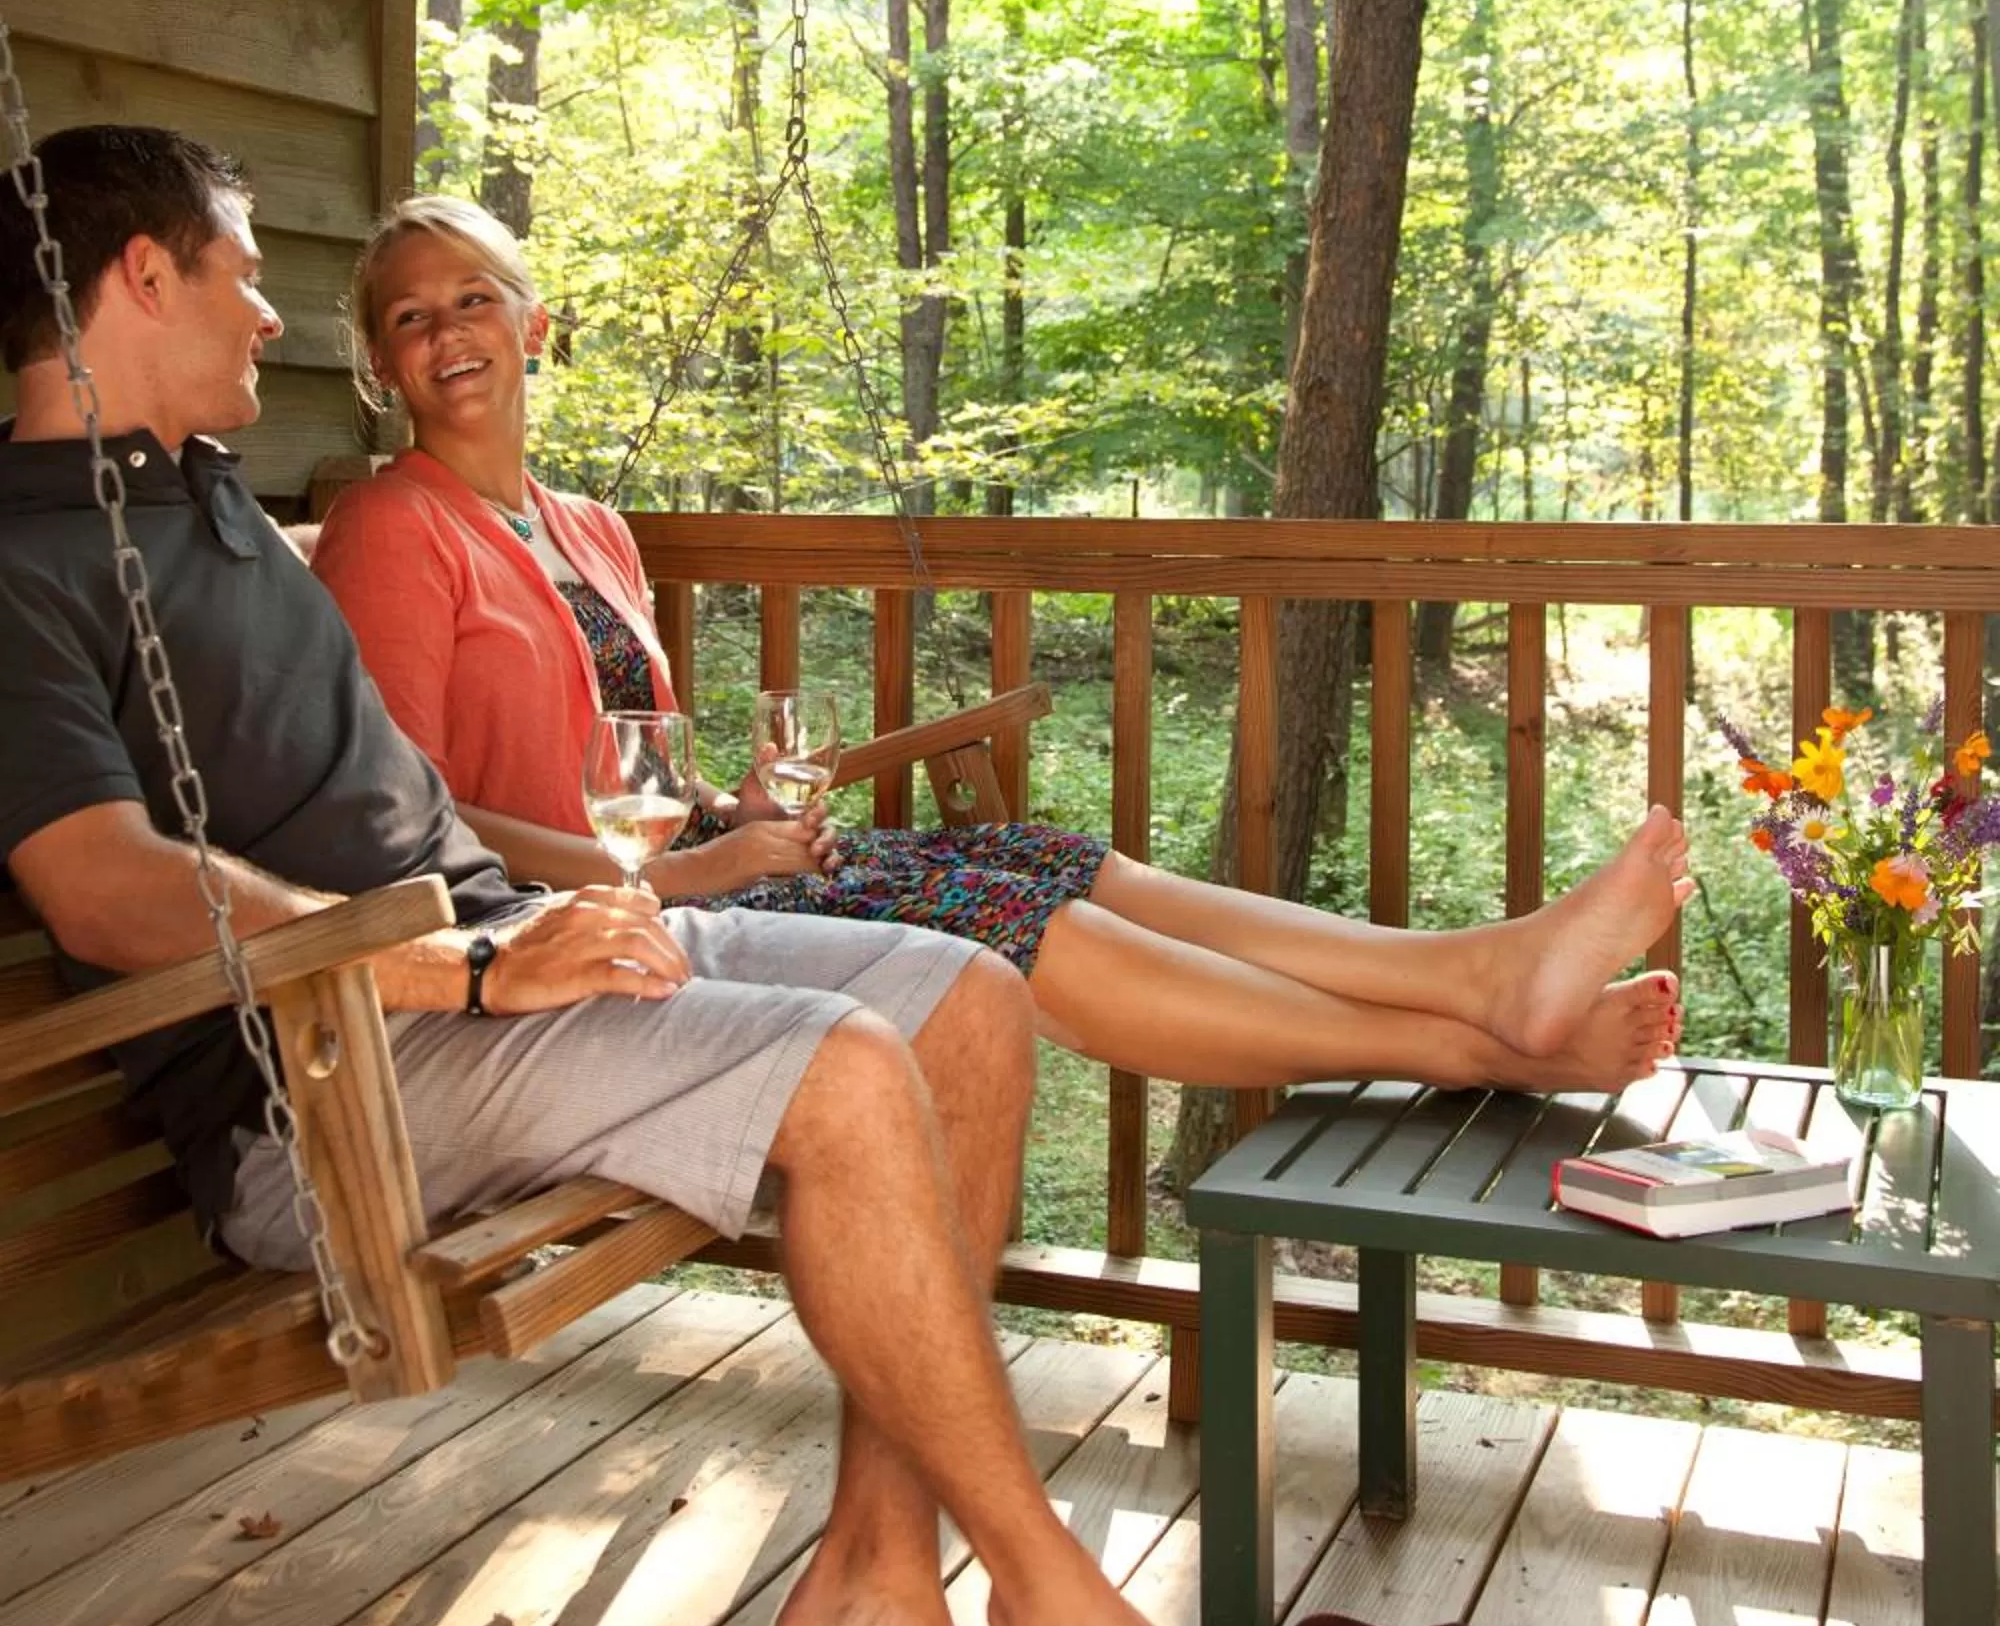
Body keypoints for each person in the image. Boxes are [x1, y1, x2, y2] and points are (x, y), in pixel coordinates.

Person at [0, 124, 1311, 1626]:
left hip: (490, 967)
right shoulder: (25, 561)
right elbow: (101, 887)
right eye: (244, 273)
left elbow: (401, 799)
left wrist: (582, 900)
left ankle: (874, 1568)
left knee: (964, 1001)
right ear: (145, 275)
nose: (268, 318)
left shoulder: (204, 498)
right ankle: (1049, 1589)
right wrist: (460, 970)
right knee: (844, 1070)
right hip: (329, 1087)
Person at [314, 194, 1692, 1099]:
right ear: (384, 366)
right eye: (410, 318)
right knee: (1004, 923)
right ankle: (1476, 1042)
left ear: (534, 323)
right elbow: (431, 829)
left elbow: (620, 762)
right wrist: (714, 860)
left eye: (472, 299)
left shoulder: (589, 529)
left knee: (1042, 856)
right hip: (590, 933)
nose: (447, 333)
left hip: (685, 875)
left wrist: (734, 813)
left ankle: (1474, 975)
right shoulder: (392, 527)